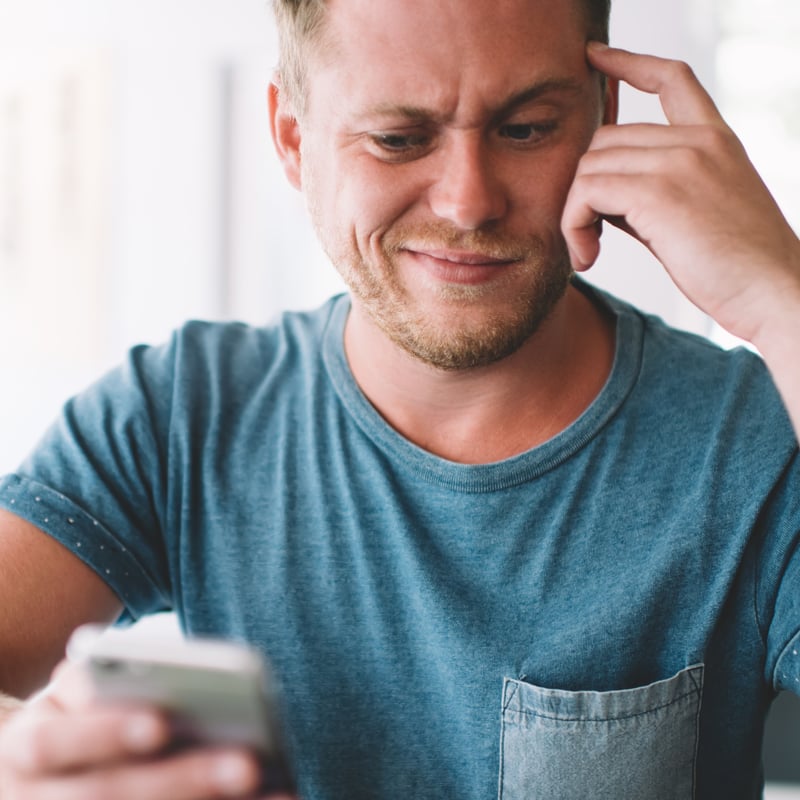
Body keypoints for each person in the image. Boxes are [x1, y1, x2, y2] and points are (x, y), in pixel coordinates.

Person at [0, 0, 799, 797]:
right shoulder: (179, 417)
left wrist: (782, 299)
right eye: (398, 139)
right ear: (292, 137)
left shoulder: (761, 440)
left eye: (525, 129)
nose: (467, 202)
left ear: (605, 118)